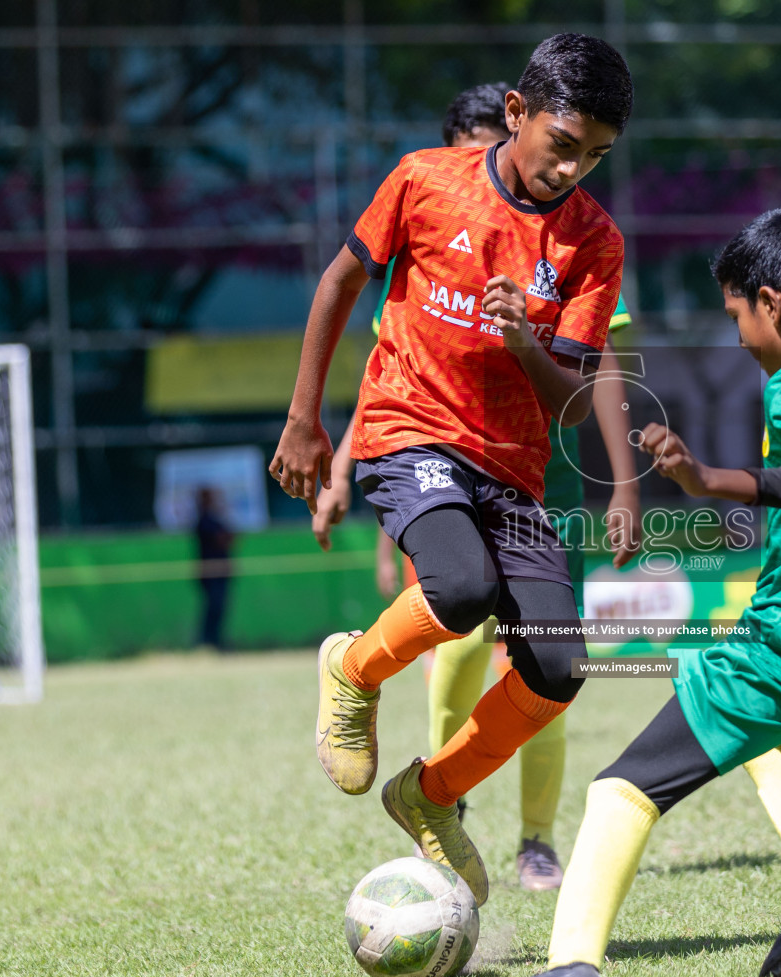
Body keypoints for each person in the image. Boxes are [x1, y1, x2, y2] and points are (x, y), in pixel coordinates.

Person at [445, 209, 781, 977]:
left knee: (621, 790)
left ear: (773, 304)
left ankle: (569, 969)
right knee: (736, 696)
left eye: (738, 319)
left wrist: (713, 480)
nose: (742, 340)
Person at [270, 33, 633, 907]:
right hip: (409, 429)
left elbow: (572, 399)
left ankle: (429, 793)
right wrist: (306, 422)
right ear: (517, 113)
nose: (572, 169)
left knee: (558, 666)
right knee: (461, 589)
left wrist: (523, 340)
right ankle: (353, 671)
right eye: (562, 144)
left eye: (595, 156)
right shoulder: (423, 179)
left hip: (511, 468)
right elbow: (338, 284)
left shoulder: (593, 241)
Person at [193, 487, 235, 650]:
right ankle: (208, 643)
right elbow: (224, 539)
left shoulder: (214, 520)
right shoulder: (204, 521)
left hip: (221, 573)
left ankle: (214, 642)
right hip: (211, 574)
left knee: (219, 609)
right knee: (213, 609)